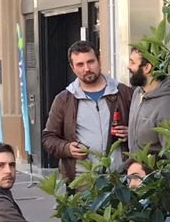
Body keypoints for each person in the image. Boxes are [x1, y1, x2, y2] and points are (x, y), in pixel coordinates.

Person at [42, 41, 133, 180]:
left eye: (91, 62)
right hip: (82, 179)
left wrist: (131, 133)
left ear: (99, 61)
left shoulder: (124, 93)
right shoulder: (64, 99)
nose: (87, 68)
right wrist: (67, 148)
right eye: (80, 64)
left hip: (120, 176)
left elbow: (145, 129)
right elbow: (48, 138)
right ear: (72, 68)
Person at [126, 47, 170, 157]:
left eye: (132, 62)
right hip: (136, 171)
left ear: (147, 68)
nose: (128, 66)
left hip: (153, 172)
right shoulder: (138, 93)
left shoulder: (168, 105)